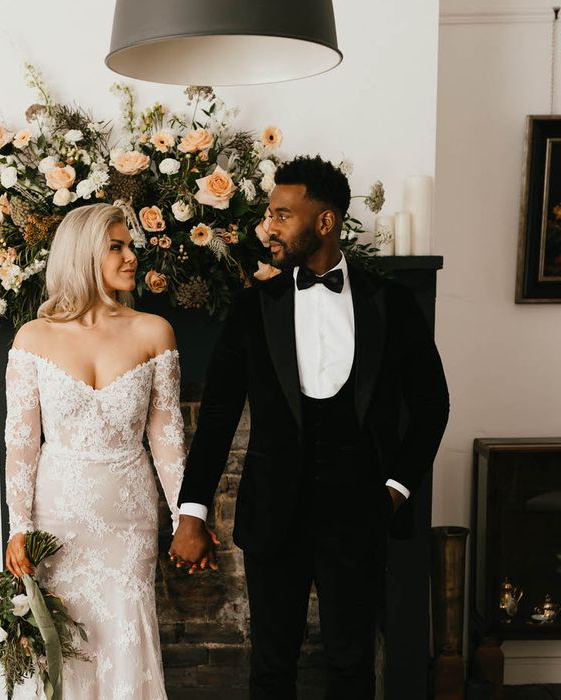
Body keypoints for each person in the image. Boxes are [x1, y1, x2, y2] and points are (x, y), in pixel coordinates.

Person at [169, 156, 449, 699]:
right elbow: (219, 416)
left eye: (281, 215)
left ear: (324, 222)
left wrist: (395, 490)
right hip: (274, 514)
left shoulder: (391, 304)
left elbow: (432, 403)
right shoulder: (254, 308)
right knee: (271, 666)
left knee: (351, 665)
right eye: (270, 215)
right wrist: (193, 511)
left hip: (359, 517)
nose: (268, 228)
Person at [4, 203, 185, 699]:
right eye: (117, 247)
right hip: (57, 518)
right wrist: (19, 527)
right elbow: (20, 444)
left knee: (129, 627)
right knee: (65, 638)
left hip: (129, 516)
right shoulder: (33, 338)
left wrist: (183, 516)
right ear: (84, 255)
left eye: (131, 246)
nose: (132, 257)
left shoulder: (154, 332)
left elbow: (167, 439)